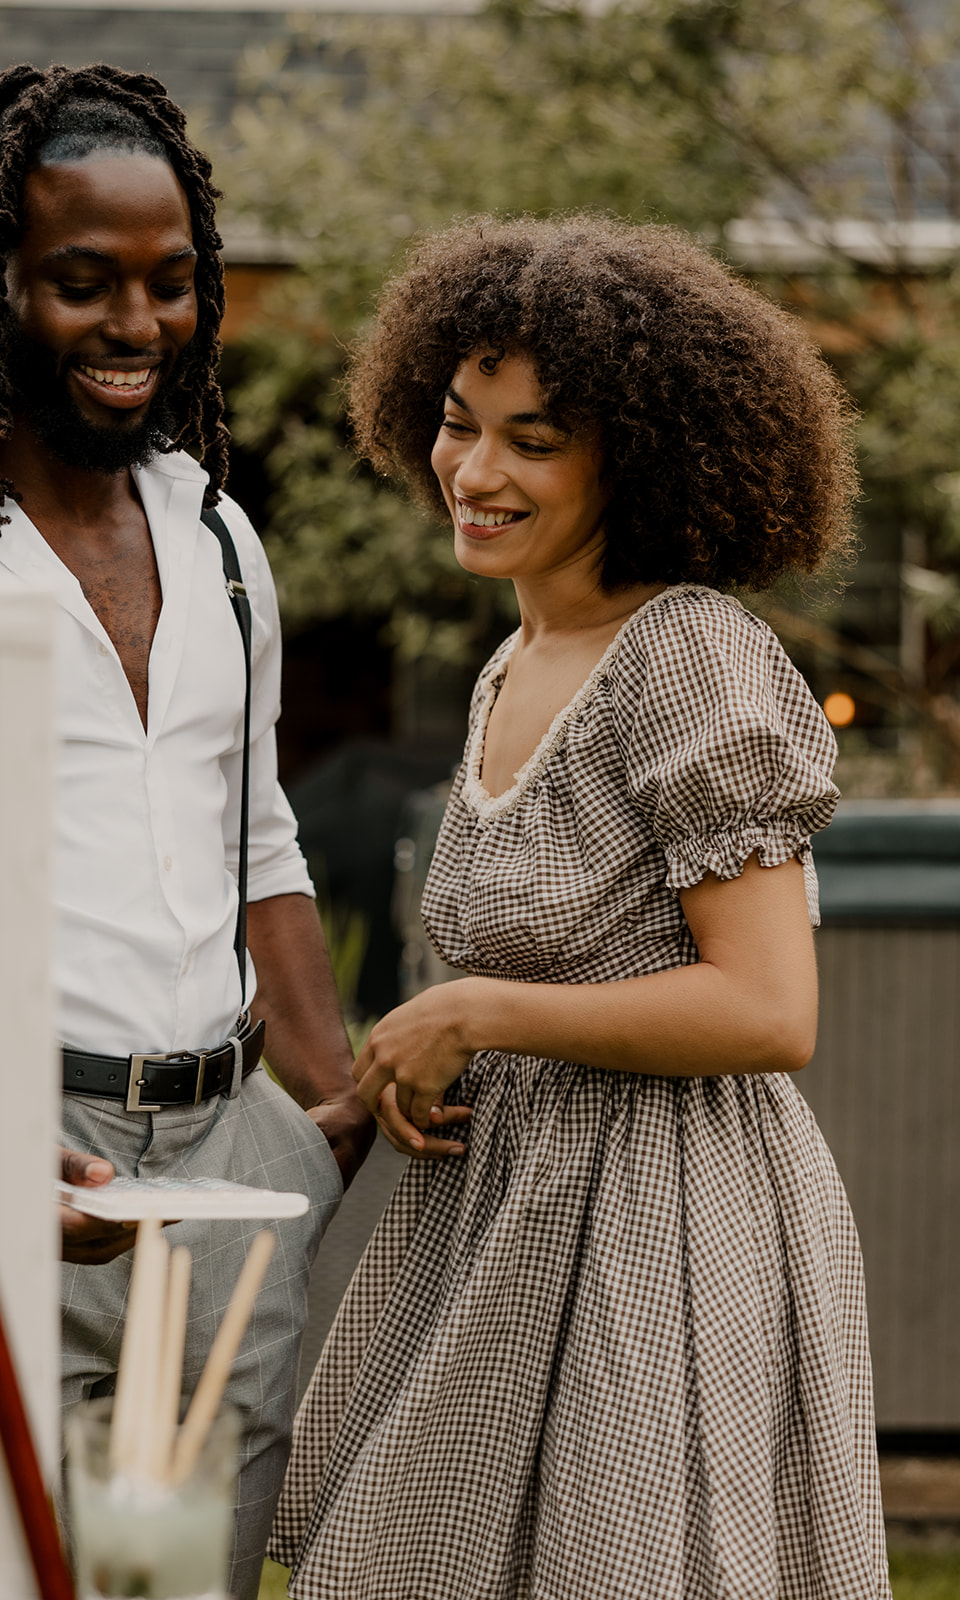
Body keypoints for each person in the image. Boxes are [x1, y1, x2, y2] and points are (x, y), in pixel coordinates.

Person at [0, 62, 372, 1600]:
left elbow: (262, 837)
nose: (138, 327)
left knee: (184, 1581)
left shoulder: (221, 540)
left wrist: (326, 1112)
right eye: (85, 284)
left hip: (231, 1178)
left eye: (171, 284)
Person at [271, 216, 890, 1599]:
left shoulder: (693, 659)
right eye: (456, 423)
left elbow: (770, 1007)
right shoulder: (517, 657)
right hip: (504, 1215)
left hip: (661, 1230)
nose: (475, 472)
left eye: (535, 441)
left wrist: (481, 1007)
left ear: (642, 455)